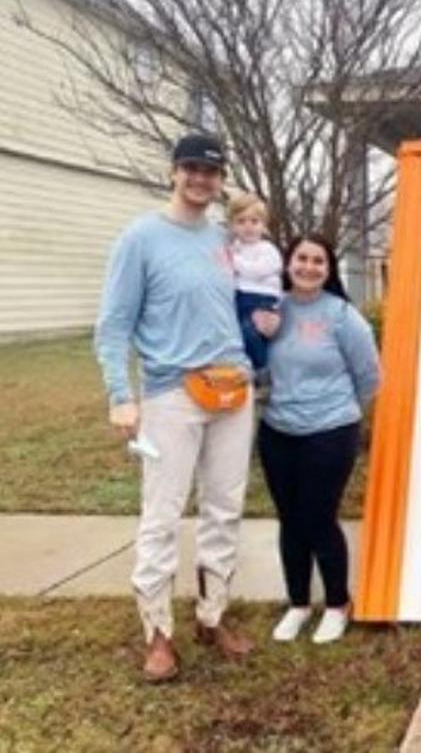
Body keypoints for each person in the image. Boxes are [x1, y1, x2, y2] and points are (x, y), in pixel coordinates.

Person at [94, 133, 277, 682]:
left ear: (221, 180)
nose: (201, 178)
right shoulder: (141, 239)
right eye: (192, 168)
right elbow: (113, 326)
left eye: (212, 171)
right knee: (163, 515)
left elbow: (255, 293)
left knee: (224, 507)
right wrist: (121, 396)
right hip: (172, 394)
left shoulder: (227, 241)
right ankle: (157, 633)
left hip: (232, 391)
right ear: (174, 171)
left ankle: (211, 616)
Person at [257, 234, 380, 644]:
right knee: (290, 520)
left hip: (330, 432)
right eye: (301, 259)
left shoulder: (342, 316)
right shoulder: (271, 308)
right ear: (288, 264)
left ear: (328, 270)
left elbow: (369, 376)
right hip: (277, 431)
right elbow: (256, 362)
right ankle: (297, 604)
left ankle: (336, 603)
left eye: (319, 261)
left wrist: (335, 410)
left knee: (318, 518)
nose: (309, 267)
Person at [227, 193, 283, 372]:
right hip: (240, 297)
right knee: (238, 335)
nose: (248, 226)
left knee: (249, 331)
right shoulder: (234, 247)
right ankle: (248, 366)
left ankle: (264, 367)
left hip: (261, 299)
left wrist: (235, 262)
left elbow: (257, 272)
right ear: (233, 225)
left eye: (254, 221)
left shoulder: (267, 249)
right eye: (241, 221)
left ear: (263, 226)